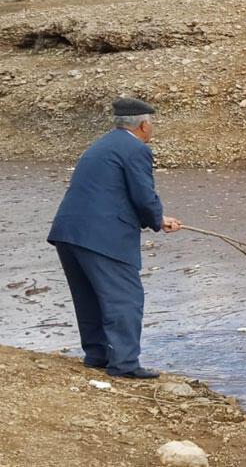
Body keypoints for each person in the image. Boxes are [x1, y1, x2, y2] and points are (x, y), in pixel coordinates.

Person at [47, 98, 182, 379]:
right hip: (103, 236)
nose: (152, 128)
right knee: (125, 299)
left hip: (69, 232)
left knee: (88, 297)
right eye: (152, 124)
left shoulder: (102, 145)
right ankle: (124, 364)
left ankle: (97, 354)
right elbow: (143, 195)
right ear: (144, 125)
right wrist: (156, 219)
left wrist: (158, 219)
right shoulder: (135, 149)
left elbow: (109, 191)